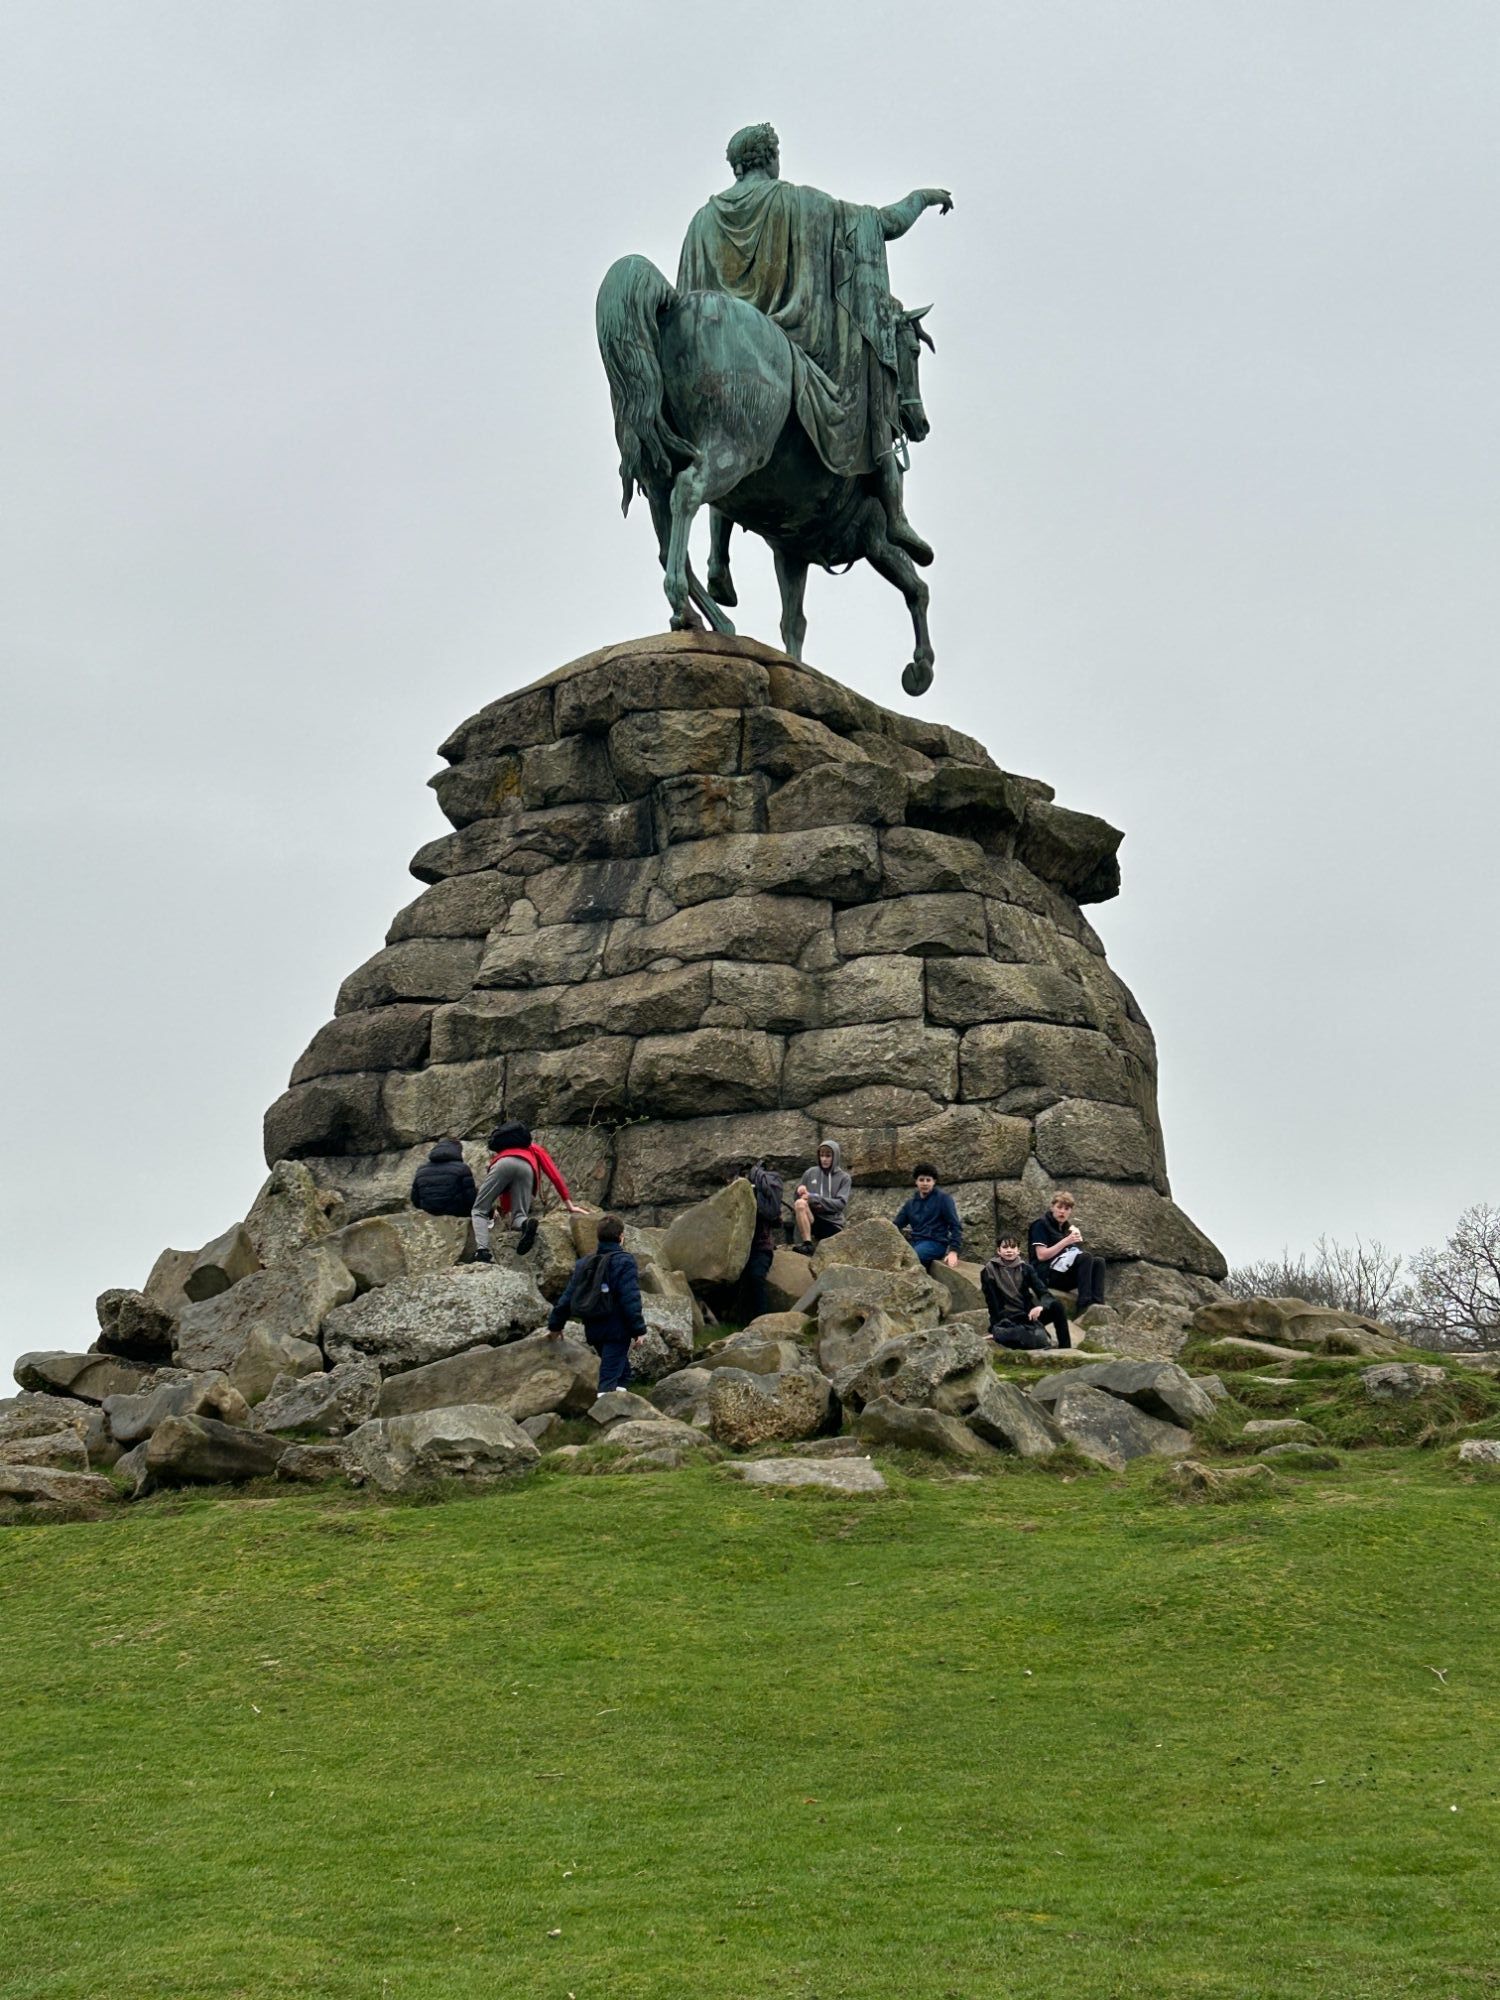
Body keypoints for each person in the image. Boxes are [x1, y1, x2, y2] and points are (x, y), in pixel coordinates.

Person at [678, 122, 952, 586]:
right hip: (791, 347)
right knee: (873, 359)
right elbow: (883, 224)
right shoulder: (799, 203)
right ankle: (895, 512)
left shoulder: (702, 222)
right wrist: (922, 197)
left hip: (707, 368)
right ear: (769, 158)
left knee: (717, 429)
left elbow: (688, 305)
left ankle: (717, 560)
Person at [547, 1214, 647, 1395]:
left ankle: (624, 1403)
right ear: (621, 1237)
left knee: (622, 1372)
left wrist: (556, 1325)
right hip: (617, 1329)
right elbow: (630, 1297)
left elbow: (568, 1296)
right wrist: (638, 1329)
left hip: (593, 1327)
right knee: (609, 1377)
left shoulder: (584, 1263)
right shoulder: (624, 1261)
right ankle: (605, 1411)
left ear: (598, 1237)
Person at [471, 1122, 581, 1262]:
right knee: (518, 1216)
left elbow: (499, 1186)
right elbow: (554, 1174)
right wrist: (569, 1203)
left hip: (502, 1164)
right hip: (526, 1167)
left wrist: (499, 1207)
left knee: (479, 1209)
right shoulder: (533, 1148)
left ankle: (482, 1251)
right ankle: (525, 1223)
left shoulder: (503, 1152)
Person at [980, 1237, 1072, 1350]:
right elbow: (992, 1302)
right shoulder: (989, 1271)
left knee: (1057, 1306)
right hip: (1006, 1318)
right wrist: (996, 1325)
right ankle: (1006, 1335)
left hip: (1027, 1315)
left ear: (1018, 1250)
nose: (1009, 1250)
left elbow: (1043, 1292)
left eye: (1013, 1247)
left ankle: (1066, 1349)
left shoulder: (1026, 1269)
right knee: (1018, 1333)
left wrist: (1041, 1307)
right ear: (999, 1251)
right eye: (1005, 1247)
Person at [1028, 1190, 1107, 1312]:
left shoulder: (1066, 1228)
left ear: (1070, 1211)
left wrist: (1073, 1245)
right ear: (1052, 1207)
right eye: (1059, 1207)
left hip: (1062, 1271)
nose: (1062, 1211)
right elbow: (1041, 1255)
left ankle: (1097, 1305)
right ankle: (1083, 1305)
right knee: (1085, 1257)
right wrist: (1066, 1241)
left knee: (1098, 1262)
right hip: (1045, 1274)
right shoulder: (1040, 1225)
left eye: (1066, 1208)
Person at [893, 1163, 962, 1269]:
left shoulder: (943, 1199)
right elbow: (896, 1225)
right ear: (916, 1181)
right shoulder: (910, 1204)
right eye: (921, 1180)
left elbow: (955, 1225)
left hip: (936, 1243)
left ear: (934, 1182)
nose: (925, 1183)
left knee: (911, 1258)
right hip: (915, 1243)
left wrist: (953, 1251)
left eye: (928, 1180)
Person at [741, 1161, 784, 1318]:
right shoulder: (767, 1197)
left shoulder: (761, 1197)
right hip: (754, 1247)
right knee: (749, 1281)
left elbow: (774, 1220)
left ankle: (760, 1319)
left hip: (760, 1247)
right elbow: (777, 1220)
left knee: (756, 1277)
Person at [790, 1141, 850, 1254]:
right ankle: (807, 1244)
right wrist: (800, 1192)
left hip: (832, 1223)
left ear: (835, 1156)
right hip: (812, 1219)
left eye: (828, 1156)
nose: (824, 1159)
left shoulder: (844, 1178)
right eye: (822, 1155)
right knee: (799, 1203)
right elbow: (796, 1199)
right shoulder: (810, 1173)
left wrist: (815, 1198)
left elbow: (840, 1203)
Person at [408, 1138, 477, 1218]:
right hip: (458, 1213)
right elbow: (470, 1197)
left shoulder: (421, 1170)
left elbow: (415, 1199)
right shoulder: (462, 1168)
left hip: (429, 1213)